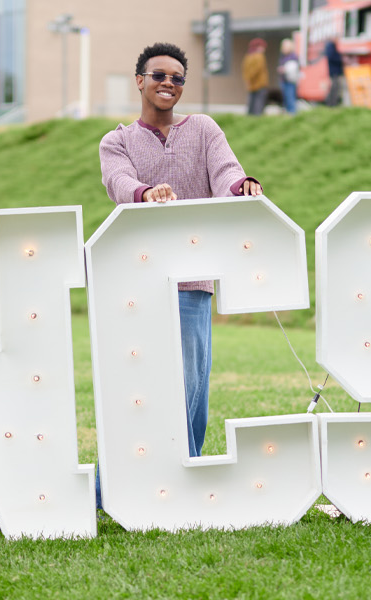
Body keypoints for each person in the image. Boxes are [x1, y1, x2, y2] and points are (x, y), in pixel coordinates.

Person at [98, 42, 263, 467]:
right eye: (159, 76)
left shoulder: (204, 129)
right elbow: (118, 183)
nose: (168, 83)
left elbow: (225, 169)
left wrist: (240, 184)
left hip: (192, 282)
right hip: (137, 283)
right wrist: (145, 193)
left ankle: (185, 470)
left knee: (192, 384)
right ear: (140, 81)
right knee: (139, 387)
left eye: (177, 78)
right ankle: (121, 481)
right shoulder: (117, 142)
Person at [242, 38, 269, 116]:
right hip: (259, 84)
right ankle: (258, 118)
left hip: (251, 84)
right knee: (259, 104)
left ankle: (250, 118)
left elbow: (245, 70)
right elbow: (257, 69)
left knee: (251, 104)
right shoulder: (259, 56)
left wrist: (248, 80)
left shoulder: (248, 56)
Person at [278, 38, 301, 115]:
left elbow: (293, 68)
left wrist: (284, 69)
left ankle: (292, 115)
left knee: (290, 98)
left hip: (290, 81)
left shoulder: (293, 56)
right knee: (286, 99)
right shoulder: (283, 56)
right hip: (283, 80)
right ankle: (288, 114)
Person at [323, 40, 346, 107]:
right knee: (334, 88)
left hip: (334, 71)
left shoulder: (330, 46)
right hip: (335, 71)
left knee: (335, 88)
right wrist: (341, 59)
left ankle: (331, 103)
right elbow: (331, 57)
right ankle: (331, 103)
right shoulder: (331, 46)